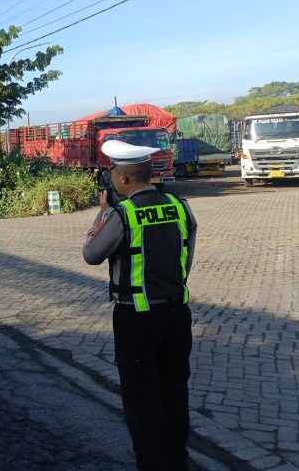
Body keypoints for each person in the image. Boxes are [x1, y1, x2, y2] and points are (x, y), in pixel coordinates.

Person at [82, 140, 197, 471]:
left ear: (123, 179)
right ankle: (177, 460)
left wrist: (101, 214)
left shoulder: (122, 214)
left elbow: (91, 254)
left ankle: (150, 463)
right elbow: (184, 259)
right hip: (177, 314)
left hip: (136, 319)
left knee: (141, 396)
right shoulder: (181, 207)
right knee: (175, 389)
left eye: (113, 173)